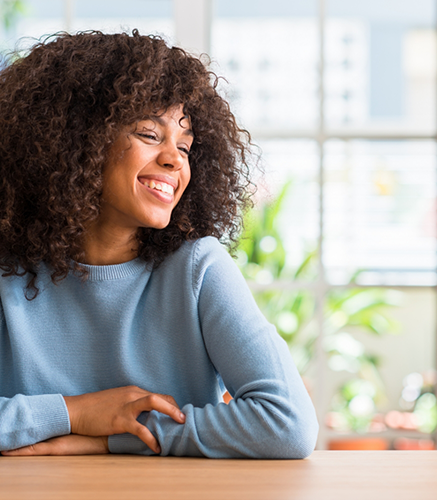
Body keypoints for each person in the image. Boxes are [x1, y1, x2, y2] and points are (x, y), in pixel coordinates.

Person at [0, 31, 318, 458]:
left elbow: (288, 423)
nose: (174, 159)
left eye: (185, 146)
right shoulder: (8, 272)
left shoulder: (198, 270)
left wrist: (112, 437)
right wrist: (75, 413)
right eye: (150, 134)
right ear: (78, 141)